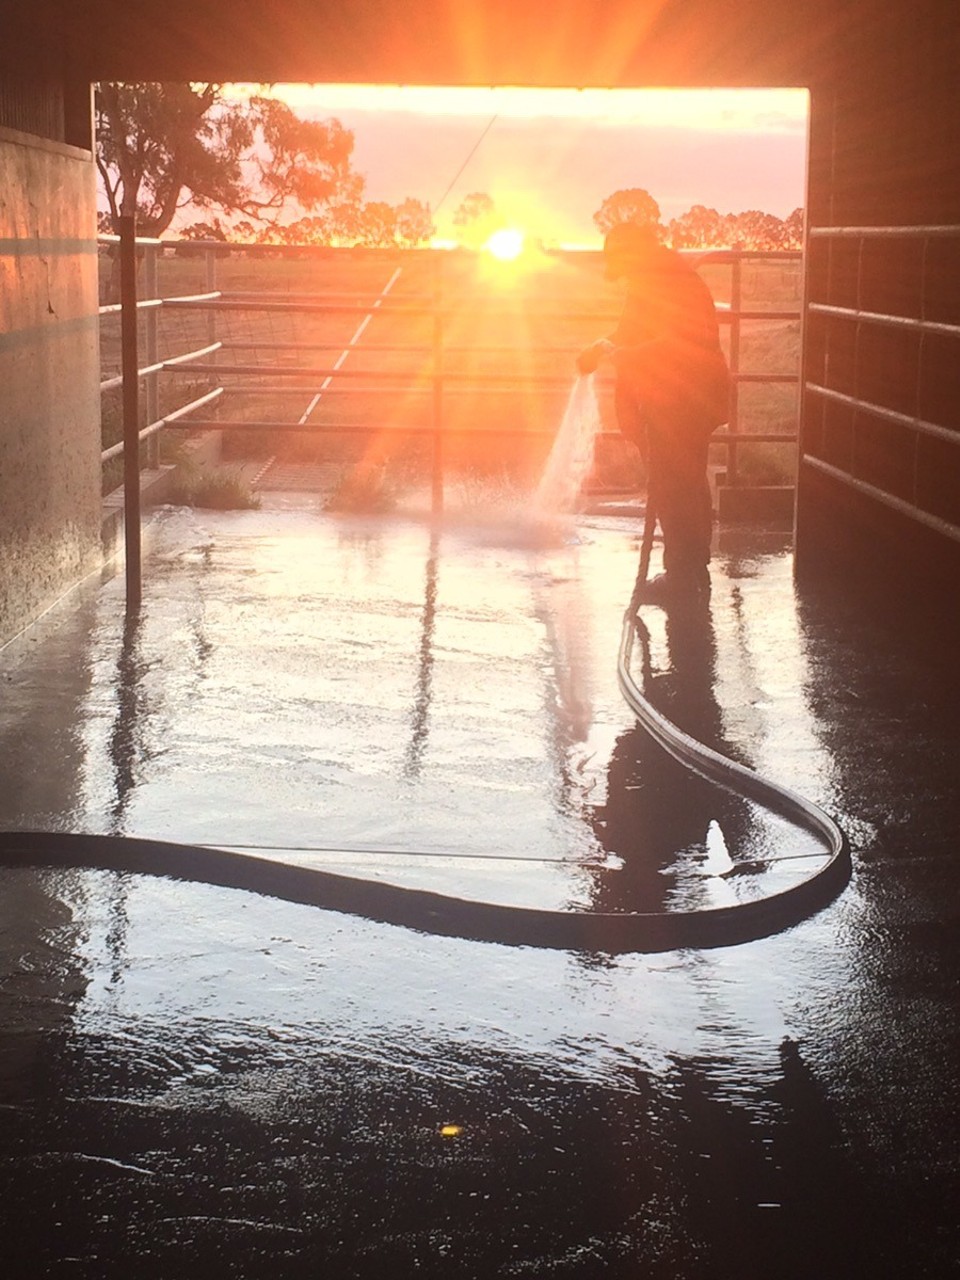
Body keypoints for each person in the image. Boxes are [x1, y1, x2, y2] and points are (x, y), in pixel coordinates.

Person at [577, 221, 730, 604]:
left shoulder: (672, 282)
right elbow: (630, 331)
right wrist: (601, 348)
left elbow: (676, 341)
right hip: (681, 396)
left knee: (676, 485)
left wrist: (626, 356)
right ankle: (693, 567)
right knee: (683, 481)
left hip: (685, 398)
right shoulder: (654, 279)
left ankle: (681, 575)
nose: (621, 271)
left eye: (622, 262)